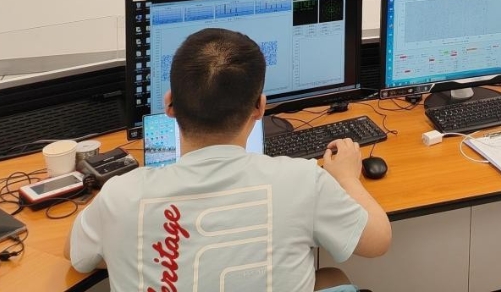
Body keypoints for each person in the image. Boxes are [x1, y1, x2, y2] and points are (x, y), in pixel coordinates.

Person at [66, 27, 391, 290]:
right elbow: (377, 241)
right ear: (260, 107)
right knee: (331, 277)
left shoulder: (119, 196)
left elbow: (75, 253)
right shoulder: (303, 180)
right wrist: (347, 178)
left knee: (330, 277)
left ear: (169, 105)